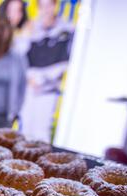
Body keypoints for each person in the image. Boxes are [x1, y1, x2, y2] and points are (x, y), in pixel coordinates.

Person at [19, 0, 74, 142]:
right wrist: (29, 77)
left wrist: (43, 80)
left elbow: (65, 62)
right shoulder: (32, 27)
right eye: (42, 6)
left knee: (42, 131)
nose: (46, 10)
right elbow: (20, 56)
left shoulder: (66, 29)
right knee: (25, 129)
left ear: (55, 5)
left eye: (48, 5)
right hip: (29, 87)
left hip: (49, 89)